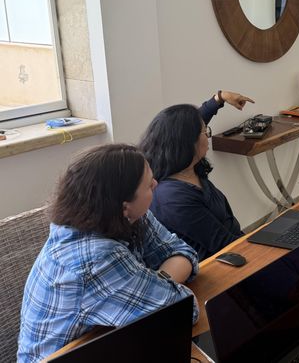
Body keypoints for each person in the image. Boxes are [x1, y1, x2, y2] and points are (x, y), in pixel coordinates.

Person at [17, 144, 199, 363]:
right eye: (148, 184)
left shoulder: (127, 216)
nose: (156, 184)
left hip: (108, 345)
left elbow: (183, 251)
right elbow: (183, 312)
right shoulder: (96, 259)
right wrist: (155, 286)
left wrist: (156, 281)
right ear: (124, 206)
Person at [139, 91, 254, 260]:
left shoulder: (185, 165)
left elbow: (187, 125)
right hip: (223, 264)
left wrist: (219, 98)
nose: (207, 136)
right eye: (205, 132)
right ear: (188, 143)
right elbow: (224, 245)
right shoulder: (173, 198)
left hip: (238, 246)